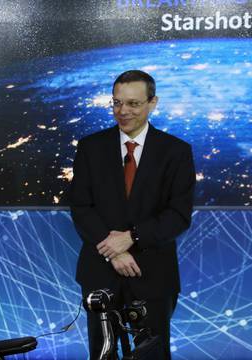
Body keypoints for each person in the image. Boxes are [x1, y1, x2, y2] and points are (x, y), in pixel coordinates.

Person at [68, 70, 195, 359]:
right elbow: (80, 206)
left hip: (152, 273)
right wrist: (114, 251)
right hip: (101, 273)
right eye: (116, 103)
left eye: (133, 104)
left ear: (153, 103)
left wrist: (132, 238)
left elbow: (178, 214)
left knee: (152, 353)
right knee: (103, 354)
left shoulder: (175, 152)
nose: (122, 111)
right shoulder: (91, 148)